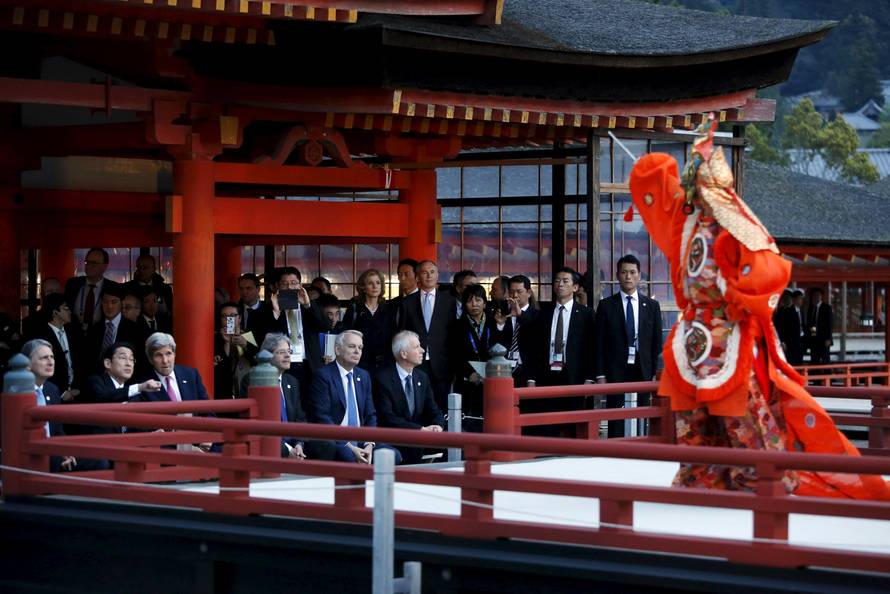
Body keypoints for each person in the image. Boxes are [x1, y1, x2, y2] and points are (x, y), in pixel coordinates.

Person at [628, 118, 888, 499]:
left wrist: (740, 297)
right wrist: (652, 168)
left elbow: (771, 267)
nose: (692, 192)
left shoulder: (735, 226)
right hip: (693, 334)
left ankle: (761, 480)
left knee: (742, 415)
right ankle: (703, 477)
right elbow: (659, 194)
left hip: (729, 334)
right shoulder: (688, 226)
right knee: (693, 419)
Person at [593, 254, 662, 438]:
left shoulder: (652, 306)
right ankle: (617, 448)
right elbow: (599, 342)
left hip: (642, 367)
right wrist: (600, 373)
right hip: (616, 368)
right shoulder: (606, 305)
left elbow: (656, 342)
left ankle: (641, 447)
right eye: (624, 272)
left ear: (639, 275)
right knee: (616, 413)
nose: (628, 277)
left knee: (642, 411)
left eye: (632, 272)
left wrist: (655, 371)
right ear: (617, 275)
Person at [306, 330, 400, 464]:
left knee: (393, 455)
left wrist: (369, 444)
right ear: (337, 350)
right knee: (349, 457)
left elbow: (370, 415)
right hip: (337, 440)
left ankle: (373, 485)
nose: (357, 351)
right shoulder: (323, 376)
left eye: (360, 348)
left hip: (361, 440)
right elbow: (322, 417)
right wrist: (349, 446)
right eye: (352, 346)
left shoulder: (364, 376)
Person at [242, 333, 336, 460]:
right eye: (281, 352)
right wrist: (287, 449)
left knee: (326, 445)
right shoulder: (253, 379)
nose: (288, 356)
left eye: (289, 351)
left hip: (293, 440)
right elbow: (257, 423)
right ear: (268, 355)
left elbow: (299, 418)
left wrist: (298, 444)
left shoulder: (292, 381)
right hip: (269, 439)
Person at [21, 339, 108, 471]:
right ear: (27, 364)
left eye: (52, 357)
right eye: (44, 358)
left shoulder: (52, 390)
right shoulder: (16, 389)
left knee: (100, 462)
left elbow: (57, 431)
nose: (51, 362)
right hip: (28, 453)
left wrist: (64, 451)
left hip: (53, 450)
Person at [373, 331, 445, 464]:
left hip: (420, 437)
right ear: (403, 354)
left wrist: (438, 426)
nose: (422, 350)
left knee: (454, 442)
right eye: (417, 347)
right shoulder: (383, 379)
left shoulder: (422, 377)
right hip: (396, 438)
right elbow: (388, 418)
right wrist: (420, 430)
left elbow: (433, 409)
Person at [398, 260, 457, 410]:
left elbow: (453, 334)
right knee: (417, 404)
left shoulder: (449, 302)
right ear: (418, 277)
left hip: (442, 363)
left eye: (432, 272)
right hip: (416, 362)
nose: (429, 276)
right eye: (424, 272)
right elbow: (402, 333)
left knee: (440, 405)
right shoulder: (407, 302)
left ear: (437, 275)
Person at [447, 284, 505, 431]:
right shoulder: (456, 326)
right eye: (469, 301)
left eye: (478, 300)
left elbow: (504, 346)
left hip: (491, 378)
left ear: (485, 303)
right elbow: (453, 355)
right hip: (468, 380)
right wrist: (468, 374)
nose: (474, 304)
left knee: (492, 420)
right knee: (468, 421)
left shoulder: (494, 323)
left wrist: (501, 326)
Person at [262, 266, 327, 385]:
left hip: (309, 365)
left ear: (300, 285)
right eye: (284, 284)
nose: (289, 287)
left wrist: (307, 305)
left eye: (293, 283)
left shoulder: (310, 306)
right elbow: (265, 338)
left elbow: (324, 326)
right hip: (283, 366)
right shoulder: (267, 310)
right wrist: (276, 313)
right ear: (277, 286)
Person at [83, 342, 162, 432]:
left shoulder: (133, 394)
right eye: (123, 358)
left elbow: (134, 427)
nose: (128, 363)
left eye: (131, 359)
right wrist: (139, 387)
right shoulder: (95, 382)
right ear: (108, 363)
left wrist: (150, 434)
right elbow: (103, 397)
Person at [29, 293, 82, 393]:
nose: (70, 311)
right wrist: (62, 392)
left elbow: (81, 361)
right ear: (55, 312)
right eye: (66, 308)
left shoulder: (74, 332)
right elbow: (41, 369)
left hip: (76, 391)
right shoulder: (41, 336)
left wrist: (78, 388)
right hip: (54, 392)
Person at [342, 268, 393, 373]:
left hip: (385, 365)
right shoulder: (354, 309)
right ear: (363, 288)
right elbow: (345, 334)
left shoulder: (389, 309)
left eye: (378, 283)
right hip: (360, 363)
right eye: (370, 283)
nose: (375, 286)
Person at [84, 284, 142, 375]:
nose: (109, 306)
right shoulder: (94, 328)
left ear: (122, 304)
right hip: (97, 380)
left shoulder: (134, 329)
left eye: (114, 302)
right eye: (105, 302)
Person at [64, 247, 119, 333]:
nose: (89, 266)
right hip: (73, 335)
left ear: (105, 266)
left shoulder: (113, 287)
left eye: (94, 263)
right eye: (87, 262)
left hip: (100, 336)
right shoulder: (73, 284)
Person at [214, 302, 256, 400]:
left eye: (232, 316)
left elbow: (256, 360)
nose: (229, 320)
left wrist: (245, 344)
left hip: (245, 386)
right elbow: (220, 367)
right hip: (224, 390)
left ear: (240, 318)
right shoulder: (216, 338)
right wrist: (226, 343)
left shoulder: (248, 336)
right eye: (224, 316)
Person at [504, 274, 539, 388]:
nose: (515, 295)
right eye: (511, 292)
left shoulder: (537, 315)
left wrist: (520, 314)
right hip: (505, 371)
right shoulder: (503, 314)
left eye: (519, 292)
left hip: (527, 371)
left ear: (528, 293)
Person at [774, 289, 804, 366]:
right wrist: (782, 341)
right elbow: (779, 327)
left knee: (797, 362)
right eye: (784, 298)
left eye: (788, 297)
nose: (786, 299)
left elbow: (799, 328)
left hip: (797, 342)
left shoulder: (798, 311)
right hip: (786, 342)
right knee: (788, 362)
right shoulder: (783, 311)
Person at [390, 258, 419, 328]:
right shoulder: (393, 303)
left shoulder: (424, 300)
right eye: (400, 274)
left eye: (406, 274)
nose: (402, 278)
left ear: (417, 276)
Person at [807, 287, 833, 365]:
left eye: (818, 295)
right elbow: (811, 323)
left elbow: (830, 323)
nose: (816, 297)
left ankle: (827, 376)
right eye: (814, 295)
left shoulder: (826, 307)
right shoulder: (811, 308)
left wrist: (828, 338)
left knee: (825, 358)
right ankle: (815, 376)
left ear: (821, 296)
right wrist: (813, 334)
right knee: (814, 359)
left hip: (824, 339)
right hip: (814, 338)